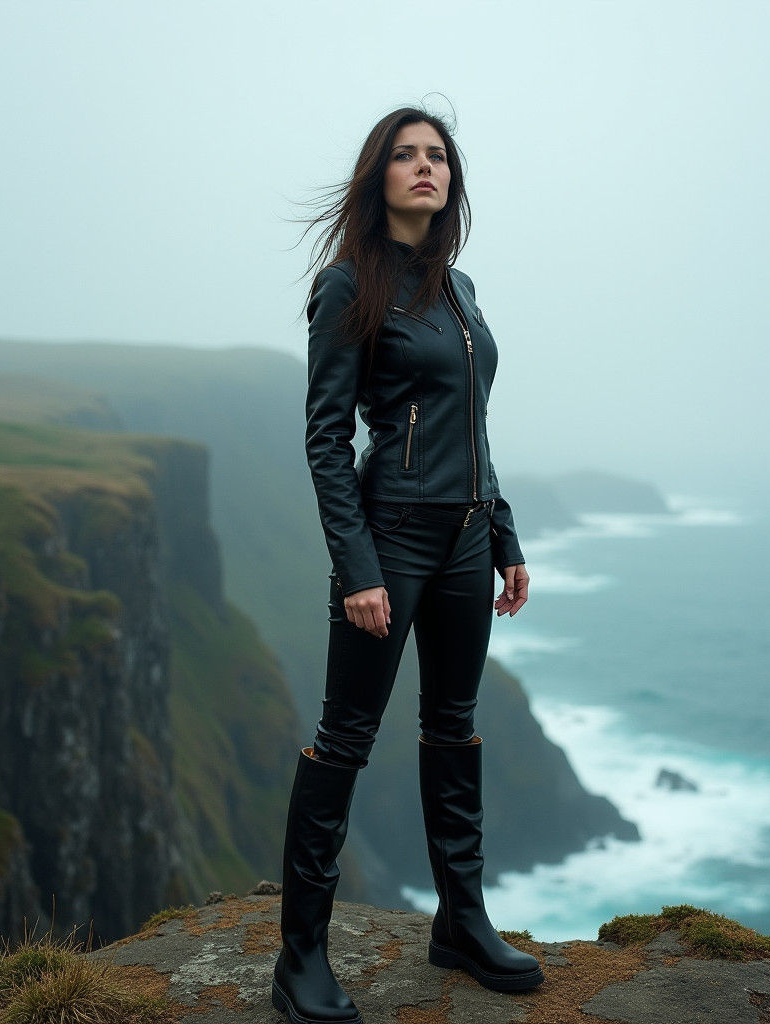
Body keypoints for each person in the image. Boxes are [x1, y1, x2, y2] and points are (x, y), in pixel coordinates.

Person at [272, 105, 542, 1024]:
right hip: (389, 534)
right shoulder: (348, 284)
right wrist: (357, 568)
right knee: (345, 736)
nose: (425, 167)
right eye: (405, 155)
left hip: (466, 537)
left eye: (438, 156)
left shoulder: (460, 287)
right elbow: (325, 438)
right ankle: (300, 957)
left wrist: (503, 533)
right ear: (378, 175)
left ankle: (461, 922)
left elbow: (473, 425)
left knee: (453, 726)